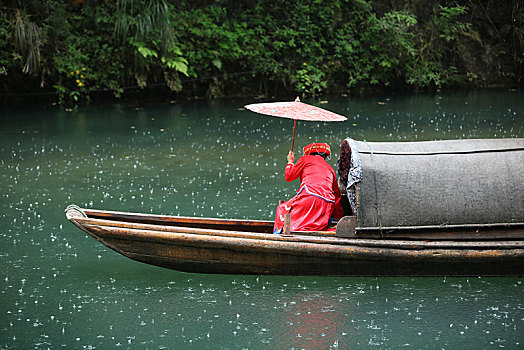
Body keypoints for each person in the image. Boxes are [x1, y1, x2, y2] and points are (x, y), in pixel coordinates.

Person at [273, 142, 343, 233]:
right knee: (313, 225)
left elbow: (289, 176)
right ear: (325, 156)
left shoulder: (305, 159)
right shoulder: (330, 168)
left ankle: (279, 235)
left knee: (282, 209)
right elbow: (336, 195)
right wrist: (338, 216)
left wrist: (290, 161)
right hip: (327, 204)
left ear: (309, 153)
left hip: (309, 197)